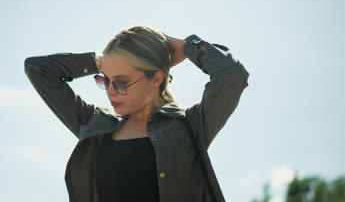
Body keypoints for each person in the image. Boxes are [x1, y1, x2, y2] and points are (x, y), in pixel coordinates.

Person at [24, 26, 250, 202]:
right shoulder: (93, 125)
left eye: (121, 82)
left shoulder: (190, 126)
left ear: (157, 78)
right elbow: (39, 69)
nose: (111, 91)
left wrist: (186, 46)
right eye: (105, 80)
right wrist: (102, 60)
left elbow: (232, 76)